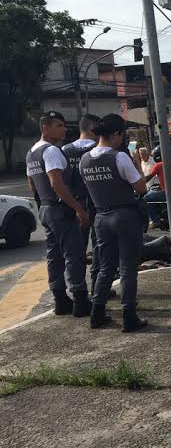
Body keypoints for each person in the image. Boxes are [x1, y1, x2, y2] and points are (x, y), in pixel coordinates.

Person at [80, 113, 148, 332]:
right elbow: (141, 188)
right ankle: (129, 316)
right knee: (128, 267)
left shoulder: (85, 159)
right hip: (124, 216)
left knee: (105, 267)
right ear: (116, 134)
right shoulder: (119, 157)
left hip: (100, 217)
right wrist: (137, 164)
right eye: (122, 135)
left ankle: (97, 313)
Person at [26, 111, 91, 317]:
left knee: (54, 256)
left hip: (45, 208)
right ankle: (80, 299)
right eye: (59, 125)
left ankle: (60, 299)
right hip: (60, 208)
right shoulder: (51, 151)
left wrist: (43, 204)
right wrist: (78, 208)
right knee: (74, 254)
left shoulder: (31, 152)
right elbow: (56, 182)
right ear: (45, 128)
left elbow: (32, 185)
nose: (64, 129)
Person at [62, 114, 102, 295]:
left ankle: (79, 293)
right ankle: (98, 288)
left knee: (76, 251)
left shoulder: (64, 150)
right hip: (97, 203)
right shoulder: (98, 150)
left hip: (73, 205)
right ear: (92, 127)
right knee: (99, 247)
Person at [144, 146, 171, 227]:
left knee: (146, 198)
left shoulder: (158, 165)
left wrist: (140, 183)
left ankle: (156, 220)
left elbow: (149, 177)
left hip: (166, 192)